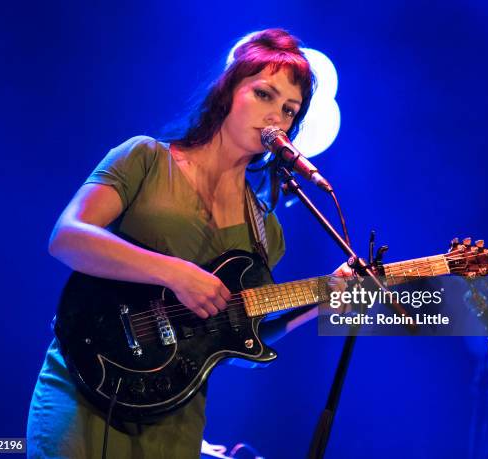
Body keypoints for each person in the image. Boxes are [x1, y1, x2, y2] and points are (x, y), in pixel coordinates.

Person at [27, 28, 351, 458]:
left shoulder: (265, 229)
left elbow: (232, 340)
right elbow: (66, 237)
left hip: (176, 417)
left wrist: (318, 304)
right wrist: (174, 272)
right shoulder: (144, 157)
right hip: (87, 383)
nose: (276, 116)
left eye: (289, 109)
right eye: (264, 94)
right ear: (229, 90)